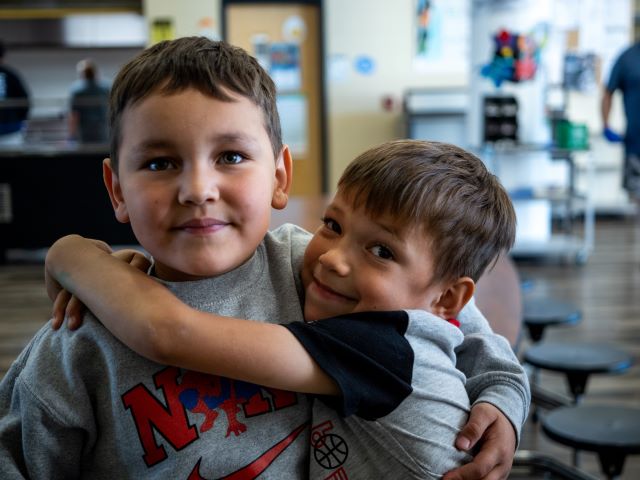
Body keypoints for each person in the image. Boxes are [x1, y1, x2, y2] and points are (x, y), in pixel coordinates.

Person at [0, 36, 526, 478]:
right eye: (160, 162)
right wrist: (74, 260)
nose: (198, 188)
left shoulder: (313, 269)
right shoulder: (78, 338)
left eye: (230, 156)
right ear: (117, 190)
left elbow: (446, 317)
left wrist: (504, 394)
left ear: (279, 176)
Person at [46, 139, 528, 479]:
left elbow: (170, 332)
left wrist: (70, 254)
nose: (334, 259)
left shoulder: (384, 349)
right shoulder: (402, 317)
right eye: (333, 225)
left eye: (381, 252)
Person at [601, 40, 640, 200]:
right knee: (636, 194)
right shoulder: (627, 58)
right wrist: (606, 125)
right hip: (635, 143)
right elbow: (608, 92)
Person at [68, 58, 110, 143]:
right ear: (95, 73)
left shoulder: (77, 90)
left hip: (84, 132)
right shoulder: (105, 88)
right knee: (101, 153)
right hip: (102, 130)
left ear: (82, 74)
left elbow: (74, 116)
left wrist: (71, 135)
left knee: (85, 154)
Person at [0, 40, 30, 145]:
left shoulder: (11, 75)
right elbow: (25, 101)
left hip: (10, 129)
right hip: (10, 130)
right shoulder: (11, 75)